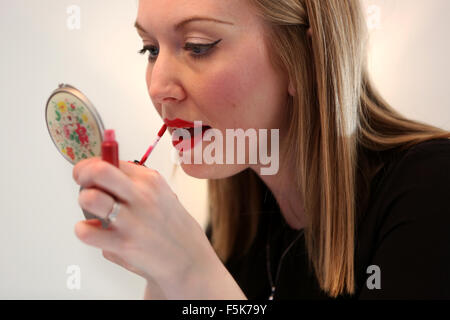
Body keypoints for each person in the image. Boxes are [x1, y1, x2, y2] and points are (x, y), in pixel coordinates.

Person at [72, 0, 450, 299]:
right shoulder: (238, 228)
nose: (157, 86)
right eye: (150, 50)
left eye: (197, 46)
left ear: (304, 56)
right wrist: (160, 274)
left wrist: (191, 272)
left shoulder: (431, 192)